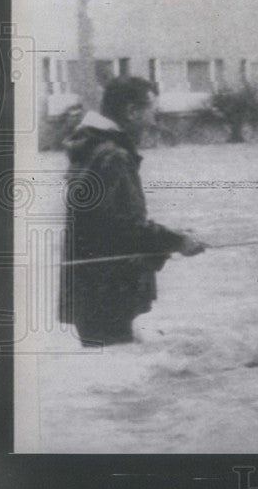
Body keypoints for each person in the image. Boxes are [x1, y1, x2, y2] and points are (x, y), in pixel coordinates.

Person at [59, 77, 205, 346]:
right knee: (115, 365)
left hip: (90, 289)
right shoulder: (113, 156)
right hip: (110, 291)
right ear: (132, 112)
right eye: (152, 111)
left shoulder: (89, 146)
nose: (153, 121)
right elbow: (127, 228)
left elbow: (108, 223)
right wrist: (179, 240)